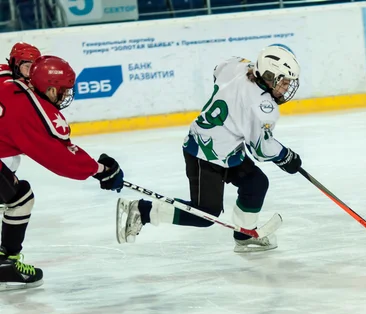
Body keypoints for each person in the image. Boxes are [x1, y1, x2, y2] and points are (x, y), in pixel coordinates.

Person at [117, 44, 302, 252]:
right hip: (203, 154)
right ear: (268, 76)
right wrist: (286, 156)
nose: (286, 88)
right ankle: (141, 210)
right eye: (283, 82)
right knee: (204, 214)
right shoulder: (262, 107)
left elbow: (218, 70)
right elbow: (260, 149)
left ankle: (245, 235)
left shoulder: (238, 66)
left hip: (227, 150)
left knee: (256, 183)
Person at [0, 55, 125, 290]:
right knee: (20, 200)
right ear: (49, 87)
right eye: (62, 90)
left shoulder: (10, 82)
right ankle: (5, 263)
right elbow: (61, 159)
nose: (66, 95)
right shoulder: (32, 111)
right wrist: (100, 170)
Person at [0, 42, 41, 175]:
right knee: (9, 160)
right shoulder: (9, 85)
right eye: (27, 67)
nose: (31, 72)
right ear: (15, 64)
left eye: (34, 67)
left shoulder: (20, 84)